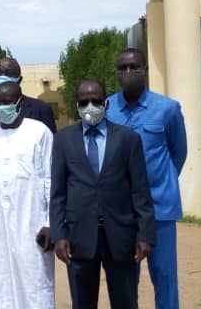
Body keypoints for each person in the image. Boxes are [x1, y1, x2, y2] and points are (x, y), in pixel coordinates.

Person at [51, 80, 155, 309]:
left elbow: (140, 191)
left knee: (126, 302)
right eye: (84, 102)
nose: (90, 106)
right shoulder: (63, 140)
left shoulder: (128, 139)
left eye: (96, 101)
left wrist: (145, 235)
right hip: (79, 237)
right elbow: (57, 193)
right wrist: (59, 235)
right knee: (82, 303)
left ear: (106, 103)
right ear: (77, 105)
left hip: (121, 236)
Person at [106, 48, 187, 309]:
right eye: (123, 68)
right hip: (122, 211)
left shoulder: (167, 109)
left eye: (134, 67)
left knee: (164, 276)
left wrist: (160, 181)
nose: (129, 72)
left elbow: (178, 152)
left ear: (145, 70)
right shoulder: (107, 109)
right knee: (125, 279)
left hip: (159, 209)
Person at [0, 82, 54, 309]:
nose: (1, 107)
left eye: (6, 102)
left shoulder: (39, 132)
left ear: (20, 103)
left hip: (32, 222)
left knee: (34, 280)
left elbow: (51, 179)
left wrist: (50, 222)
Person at [0, 57, 57, 219]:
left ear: (19, 79)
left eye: (8, 72)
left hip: (30, 200)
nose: (2, 76)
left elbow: (51, 161)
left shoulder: (41, 109)